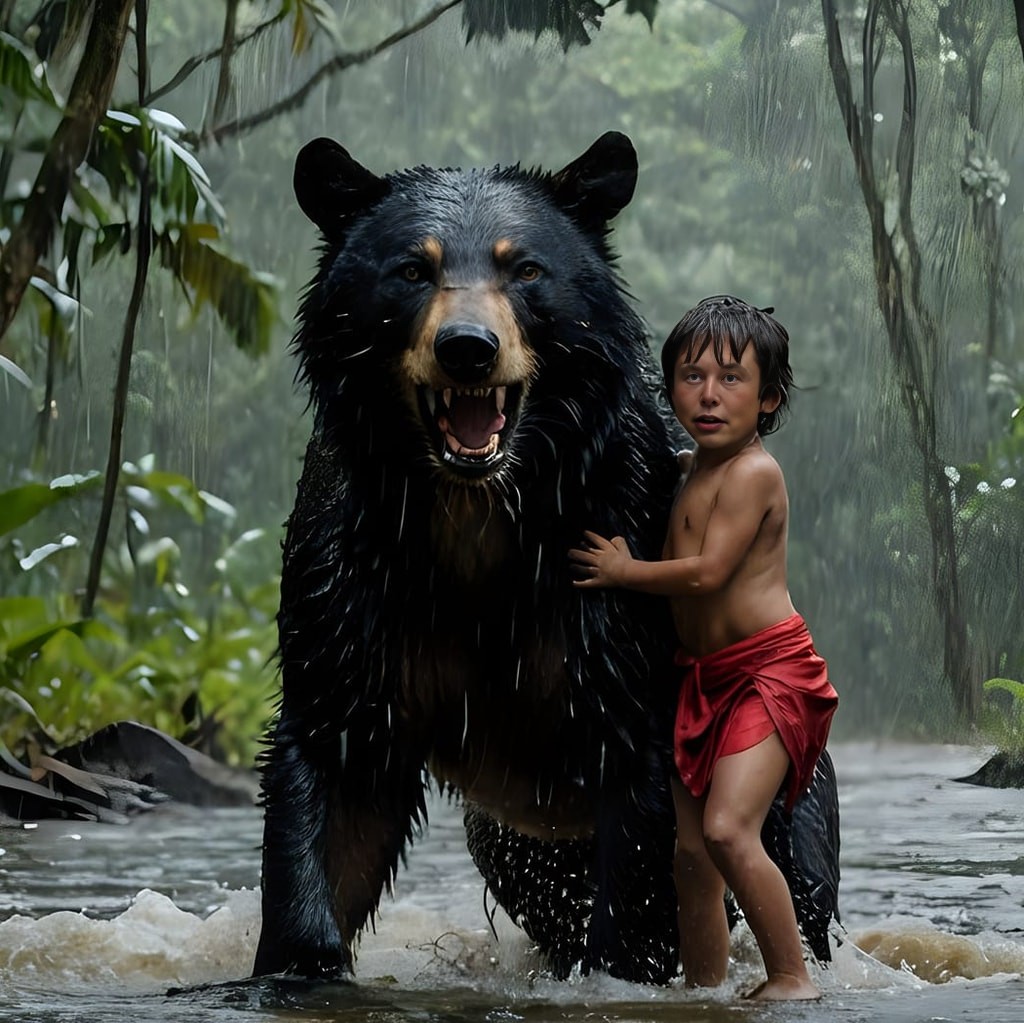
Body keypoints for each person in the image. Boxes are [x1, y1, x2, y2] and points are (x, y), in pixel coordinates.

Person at [569, 295, 838, 1000]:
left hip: (767, 674)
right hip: (703, 679)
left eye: (731, 378)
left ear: (770, 396)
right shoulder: (690, 466)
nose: (709, 394)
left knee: (725, 829)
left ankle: (792, 975)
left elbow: (709, 570)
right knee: (691, 855)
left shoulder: (754, 473)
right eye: (691, 376)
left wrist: (625, 571)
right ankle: (705, 989)